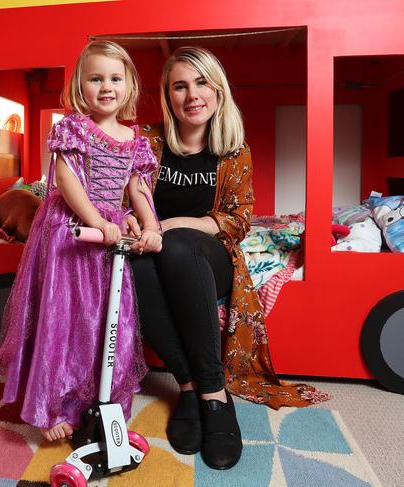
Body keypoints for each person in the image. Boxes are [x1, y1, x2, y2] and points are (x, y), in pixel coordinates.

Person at [126, 47, 329, 470]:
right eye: (180, 85)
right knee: (136, 263)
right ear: (168, 95)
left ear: (218, 91)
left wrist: (172, 224)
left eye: (201, 82)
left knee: (178, 243)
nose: (192, 94)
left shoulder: (233, 150)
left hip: (205, 258)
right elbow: (123, 193)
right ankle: (186, 385)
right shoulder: (146, 141)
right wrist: (134, 224)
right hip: (153, 251)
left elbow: (238, 221)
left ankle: (215, 394)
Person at [0, 40, 163, 443]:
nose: (107, 87)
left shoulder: (136, 139)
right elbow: (67, 180)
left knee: (108, 320)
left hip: (109, 237)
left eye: (115, 78)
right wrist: (96, 222)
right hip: (72, 229)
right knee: (64, 319)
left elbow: (138, 189)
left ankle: (103, 403)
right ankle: (52, 407)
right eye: (96, 78)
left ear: (129, 85)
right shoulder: (72, 128)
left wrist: (150, 225)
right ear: (79, 87)